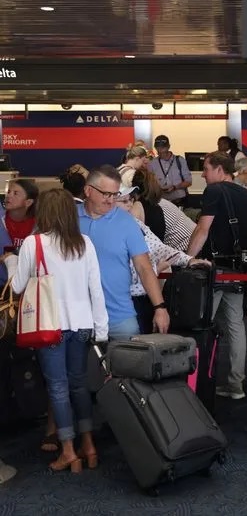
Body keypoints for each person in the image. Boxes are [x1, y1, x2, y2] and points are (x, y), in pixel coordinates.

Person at [12, 189, 108, 474]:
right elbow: (96, 289)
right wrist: (100, 328)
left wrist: (10, 262)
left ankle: (67, 450)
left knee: (57, 386)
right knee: (79, 384)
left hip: (50, 325)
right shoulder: (84, 243)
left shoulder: (34, 243)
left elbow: (17, 286)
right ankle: (88, 445)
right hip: (82, 324)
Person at [186, 152, 247, 400]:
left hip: (212, 270)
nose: (202, 174)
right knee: (236, 326)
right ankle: (236, 385)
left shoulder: (213, 192)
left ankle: (192, 384)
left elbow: (203, 230)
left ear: (219, 170)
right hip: (238, 271)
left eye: (205, 168)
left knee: (201, 325)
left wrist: (187, 261)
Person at [79, 165, 169, 340]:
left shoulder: (127, 222)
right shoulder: (68, 219)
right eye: (106, 194)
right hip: (78, 319)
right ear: (88, 190)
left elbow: (144, 267)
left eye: (115, 195)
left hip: (120, 316)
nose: (111, 200)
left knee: (129, 365)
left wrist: (160, 308)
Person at [115, 186, 208, 332]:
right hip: (122, 301)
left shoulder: (136, 224)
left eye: (131, 199)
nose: (130, 204)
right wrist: (156, 269)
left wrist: (188, 260)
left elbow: (159, 247)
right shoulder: (111, 230)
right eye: (124, 201)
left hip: (141, 297)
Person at [149, 135, 192, 206]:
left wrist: (175, 187)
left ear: (168, 147)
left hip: (179, 201)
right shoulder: (152, 163)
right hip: (161, 202)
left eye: (163, 148)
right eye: (158, 148)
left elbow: (189, 181)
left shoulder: (180, 161)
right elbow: (150, 184)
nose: (161, 151)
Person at [3, 178, 38, 251]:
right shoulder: (1, 220)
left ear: (28, 202)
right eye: (9, 192)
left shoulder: (38, 224)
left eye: (15, 193)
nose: (8, 196)